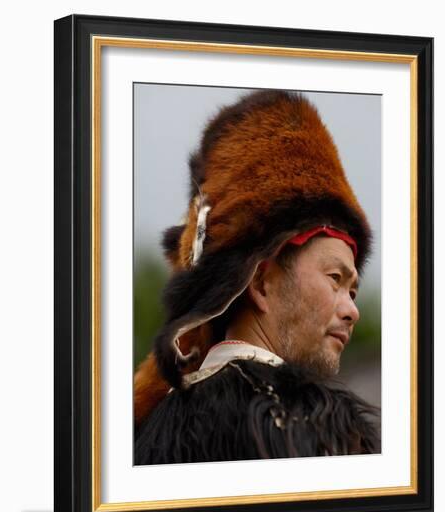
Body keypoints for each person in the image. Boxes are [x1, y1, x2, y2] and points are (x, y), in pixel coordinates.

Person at [134, 89, 380, 464]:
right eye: (335, 278)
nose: (352, 311)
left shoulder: (148, 435)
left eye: (353, 291)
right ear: (261, 282)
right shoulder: (315, 425)